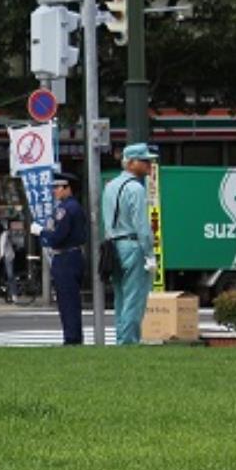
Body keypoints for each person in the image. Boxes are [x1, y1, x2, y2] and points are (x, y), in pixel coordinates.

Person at [102, 143, 159, 345]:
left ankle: (121, 338)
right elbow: (142, 226)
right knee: (135, 298)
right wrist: (150, 254)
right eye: (144, 161)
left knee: (120, 297)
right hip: (133, 245)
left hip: (113, 245)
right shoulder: (136, 188)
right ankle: (129, 341)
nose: (148, 165)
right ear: (131, 163)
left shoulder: (109, 186)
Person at [30, 171, 89, 345]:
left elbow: (57, 237)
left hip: (65, 258)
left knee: (67, 302)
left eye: (57, 187)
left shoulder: (66, 209)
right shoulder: (73, 207)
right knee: (69, 300)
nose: (54, 191)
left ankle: (71, 338)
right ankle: (73, 336)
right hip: (72, 256)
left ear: (67, 188)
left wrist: (41, 232)